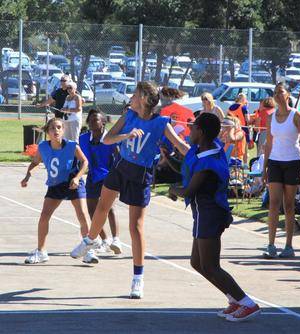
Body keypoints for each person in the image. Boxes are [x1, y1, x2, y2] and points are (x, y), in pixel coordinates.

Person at [70, 81, 190, 298]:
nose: (130, 98)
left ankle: (138, 279)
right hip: (120, 167)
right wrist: (126, 136)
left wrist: (202, 154)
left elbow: (181, 146)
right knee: (101, 207)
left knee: (135, 227)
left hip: (140, 175)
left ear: (144, 98)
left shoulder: (162, 123)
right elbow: (107, 139)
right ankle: (89, 241)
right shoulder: (128, 116)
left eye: (134, 94)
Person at [168, 113, 260, 322]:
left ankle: (247, 303)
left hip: (210, 214)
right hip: (204, 214)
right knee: (197, 262)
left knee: (210, 265)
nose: (190, 131)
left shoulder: (208, 162)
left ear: (200, 132)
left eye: (193, 128)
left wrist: (174, 189)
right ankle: (234, 299)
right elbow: (186, 167)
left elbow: (189, 190)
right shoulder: (208, 148)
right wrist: (169, 158)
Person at [21, 118, 98, 264]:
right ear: (47, 131)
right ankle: (41, 251)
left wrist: (77, 177)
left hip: (72, 182)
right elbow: (35, 162)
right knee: (44, 216)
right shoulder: (43, 147)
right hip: (55, 184)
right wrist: (27, 176)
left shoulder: (71, 146)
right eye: (52, 128)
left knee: (82, 215)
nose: (55, 130)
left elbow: (85, 162)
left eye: (58, 127)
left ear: (63, 130)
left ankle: (89, 250)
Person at [263, 83, 300, 259]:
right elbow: (268, 144)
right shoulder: (271, 117)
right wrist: (264, 167)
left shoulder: (297, 116)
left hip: (293, 162)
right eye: (275, 93)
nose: (277, 95)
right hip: (275, 161)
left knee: (288, 205)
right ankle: (271, 245)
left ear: (288, 95)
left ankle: (289, 246)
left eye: (280, 92)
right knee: (274, 203)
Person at [79, 109, 122, 254]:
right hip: (92, 177)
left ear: (103, 122)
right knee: (92, 211)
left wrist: (119, 178)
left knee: (108, 208)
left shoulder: (111, 139)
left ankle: (116, 239)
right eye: (90, 120)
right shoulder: (84, 138)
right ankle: (105, 240)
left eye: (95, 120)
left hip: (109, 177)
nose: (91, 122)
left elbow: (118, 159)